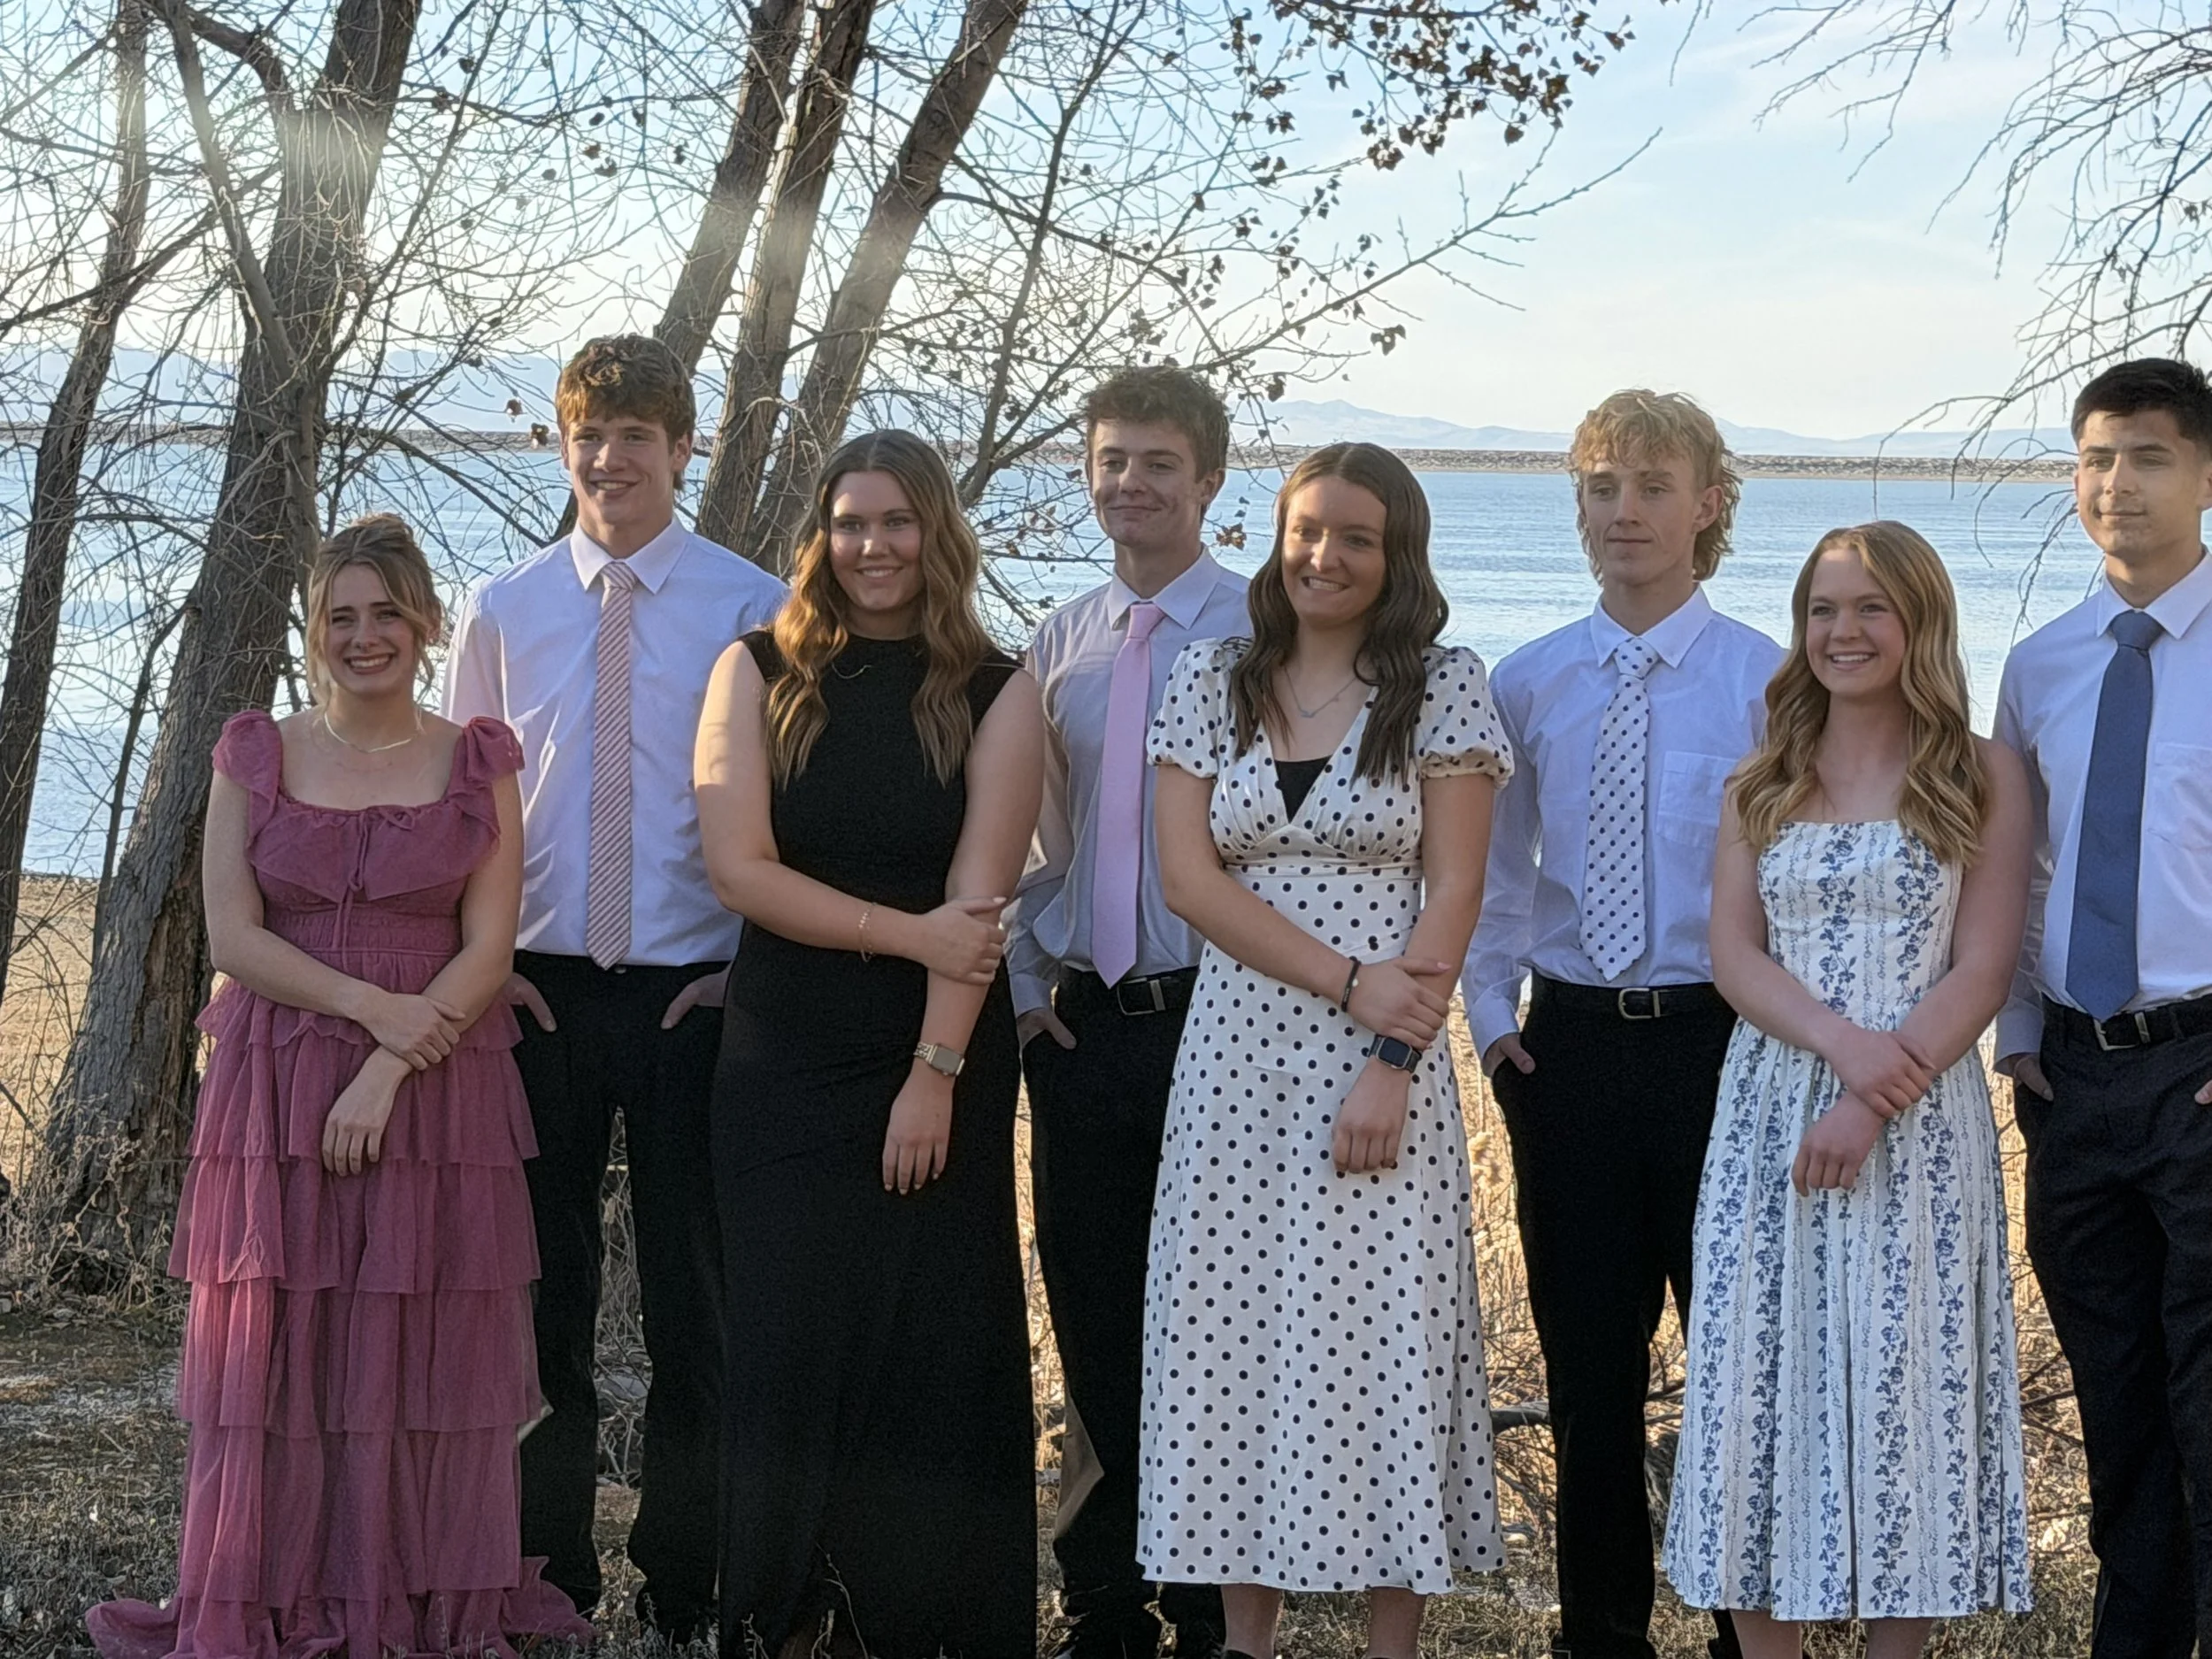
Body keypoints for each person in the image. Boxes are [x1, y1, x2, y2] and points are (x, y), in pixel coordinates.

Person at [88, 518, 592, 1659]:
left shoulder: (478, 759)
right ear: (313, 634)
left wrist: (386, 1069)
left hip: (438, 1084)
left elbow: (488, 950)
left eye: (386, 613)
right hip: (276, 1076)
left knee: (413, 1349)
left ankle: (411, 1600)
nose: (365, 637)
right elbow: (233, 934)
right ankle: (271, 1591)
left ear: (424, 623)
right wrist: (373, 1013)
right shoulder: (254, 752)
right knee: (283, 1345)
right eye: (339, 618)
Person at [442, 334, 787, 1640]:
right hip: (533, 997)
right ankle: (550, 1577)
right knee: (543, 1304)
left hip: (698, 996)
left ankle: (685, 1583)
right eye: (589, 434)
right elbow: (466, 812)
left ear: (682, 446)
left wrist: (747, 969)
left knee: (699, 1303)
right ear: (563, 443)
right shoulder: (504, 607)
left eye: (637, 435)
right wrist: (482, 973)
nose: (610, 458)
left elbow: (785, 806)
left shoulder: (754, 604)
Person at [1141, 441, 1509, 1659]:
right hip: (1236, 1059)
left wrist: (1391, 1056)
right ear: (1275, 534)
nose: (1326, 555)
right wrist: (1347, 979)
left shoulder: (1445, 685)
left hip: (1384, 1070)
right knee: (1233, 1340)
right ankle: (1247, 1638)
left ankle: (1386, 1640)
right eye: (1307, 529)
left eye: (1356, 536)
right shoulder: (1212, 676)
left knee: (1381, 1343)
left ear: (1397, 553)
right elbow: (1188, 877)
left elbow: (1456, 887)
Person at [695, 429, 1045, 1659]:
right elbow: (741, 868)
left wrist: (934, 1076)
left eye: (898, 522)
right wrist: (906, 934)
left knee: (930, 1346)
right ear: (820, 536)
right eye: (851, 523)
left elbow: (983, 904)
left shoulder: (999, 691)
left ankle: (923, 1623)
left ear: (936, 534)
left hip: (934, 1055)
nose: (873, 545)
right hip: (783, 1053)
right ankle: (781, 1616)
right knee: (788, 1344)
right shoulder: (751, 670)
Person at [1663, 521, 2034, 1657]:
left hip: (1917, 1125)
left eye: (1871, 608)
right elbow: (1733, 954)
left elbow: (1983, 963)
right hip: (1773, 1110)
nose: (1843, 631)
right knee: (1752, 1395)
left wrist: (1876, 1093)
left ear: (1920, 622)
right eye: (1823, 610)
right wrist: (1839, 1051)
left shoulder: (1980, 771)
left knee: (1907, 1393)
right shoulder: (1760, 776)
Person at [1461, 388, 1781, 1659]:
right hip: (1572, 1049)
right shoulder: (1528, 679)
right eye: (1602, 486)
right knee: (1590, 1371)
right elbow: (1494, 871)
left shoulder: (1773, 677)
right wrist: (1491, 1021)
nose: (1625, 511)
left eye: (1653, 485)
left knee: (1736, 1362)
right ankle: (1599, 1633)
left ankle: (1739, 1630)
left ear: (1710, 504)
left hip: (1726, 1047)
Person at [1009, 365, 1244, 1659]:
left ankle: (1211, 1596)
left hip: (1221, 1023)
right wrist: (1024, 982)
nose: (1133, 483)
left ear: (1209, 480)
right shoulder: (1064, 638)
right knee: (1092, 1303)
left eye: (1159, 462)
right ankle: (1102, 1595)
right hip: (1088, 1023)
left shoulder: (1264, 630)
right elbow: (1034, 829)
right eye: (1112, 460)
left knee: (1207, 1309)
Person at [1996, 356, 2212, 1658]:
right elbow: (2022, 867)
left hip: (2200, 1065)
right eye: (2093, 457)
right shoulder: (2041, 663)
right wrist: (2018, 1034)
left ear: (2204, 474)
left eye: (2145, 455)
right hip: (2072, 1083)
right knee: (2119, 1403)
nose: (2114, 484)